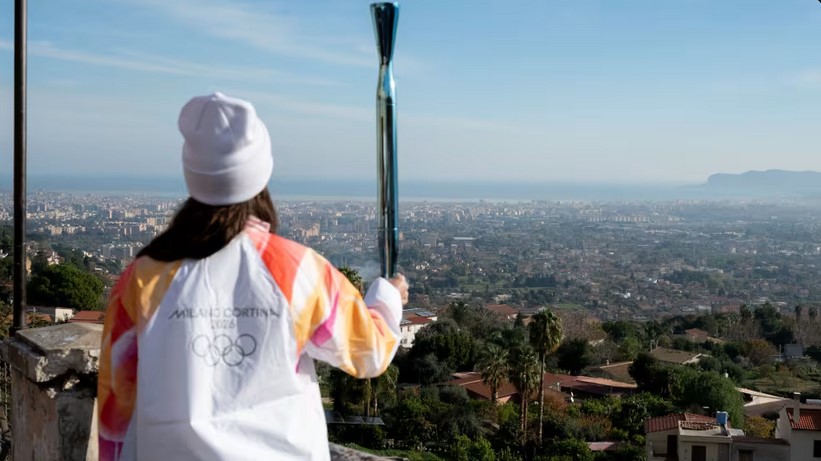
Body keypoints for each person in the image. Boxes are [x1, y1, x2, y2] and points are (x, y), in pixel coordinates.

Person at [97, 92, 408, 461]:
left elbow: (115, 411)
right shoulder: (297, 269)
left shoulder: (141, 279)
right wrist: (387, 296)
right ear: (262, 173)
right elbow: (369, 352)